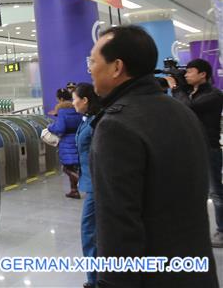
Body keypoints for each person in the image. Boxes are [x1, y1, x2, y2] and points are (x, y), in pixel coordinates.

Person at [89, 25, 217, 286]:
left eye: (93, 61)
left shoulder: (117, 125)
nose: (90, 68)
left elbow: (119, 224)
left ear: (117, 67)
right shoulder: (182, 111)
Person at [169, 58, 223, 247]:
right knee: (191, 191)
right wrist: (181, 88)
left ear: (203, 74)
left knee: (215, 192)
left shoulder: (215, 95)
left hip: (208, 148)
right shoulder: (190, 93)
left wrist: (176, 87)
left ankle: (222, 231)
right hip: (189, 147)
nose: (186, 74)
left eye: (190, 71)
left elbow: (187, 108)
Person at [73, 82, 100, 288]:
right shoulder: (88, 119)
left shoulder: (96, 122)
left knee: (89, 231)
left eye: (75, 99)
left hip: (98, 185)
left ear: (85, 100)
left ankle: (94, 280)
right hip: (91, 182)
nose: (73, 103)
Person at [48, 87, 83, 199]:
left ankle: (79, 181)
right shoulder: (77, 109)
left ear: (61, 99)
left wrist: (50, 127)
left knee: (66, 168)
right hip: (77, 140)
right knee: (74, 167)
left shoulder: (62, 111)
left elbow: (60, 128)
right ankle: (74, 191)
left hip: (67, 142)